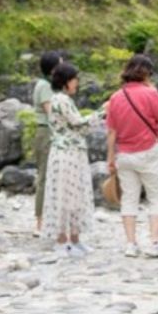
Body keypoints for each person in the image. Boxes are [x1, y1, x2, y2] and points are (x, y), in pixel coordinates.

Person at [105, 53, 158, 258]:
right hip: (149, 152)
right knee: (157, 198)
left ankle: (131, 244)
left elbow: (111, 133)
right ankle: (154, 242)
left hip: (124, 155)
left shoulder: (115, 97)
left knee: (129, 199)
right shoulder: (150, 93)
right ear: (146, 74)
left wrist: (110, 158)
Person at [41, 62, 93, 257]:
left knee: (75, 195)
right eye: (74, 79)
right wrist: (103, 112)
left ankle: (75, 239)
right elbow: (79, 124)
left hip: (72, 153)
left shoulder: (63, 100)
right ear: (66, 82)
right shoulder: (61, 100)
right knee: (64, 196)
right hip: (66, 154)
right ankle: (62, 241)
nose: (77, 83)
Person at [32, 51, 63, 237]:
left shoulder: (50, 86)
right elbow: (52, 112)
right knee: (44, 176)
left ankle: (51, 219)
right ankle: (40, 221)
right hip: (46, 132)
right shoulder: (44, 86)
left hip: (51, 132)